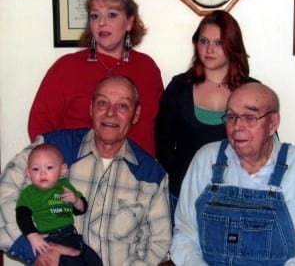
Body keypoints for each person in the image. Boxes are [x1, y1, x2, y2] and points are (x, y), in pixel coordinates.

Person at [0, 75, 172, 266]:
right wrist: (38, 251)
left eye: (122, 106)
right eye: (102, 103)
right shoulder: (53, 149)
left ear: (136, 114)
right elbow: (4, 193)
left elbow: (158, 243)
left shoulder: (151, 175)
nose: (110, 113)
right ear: (91, 109)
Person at [170, 82, 295, 265]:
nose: (237, 126)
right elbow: (185, 234)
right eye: (231, 116)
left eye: (249, 117)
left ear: (273, 124)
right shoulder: (207, 159)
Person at [28, 0, 163, 157]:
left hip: (135, 175)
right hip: (76, 172)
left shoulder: (147, 68)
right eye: (95, 16)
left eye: (112, 15)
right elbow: (40, 126)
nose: (102, 23)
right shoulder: (67, 67)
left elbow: (160, 128)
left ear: (129, 22)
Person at [155, 10, 259, 214]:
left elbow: (266, 146)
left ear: (232, 46)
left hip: (237, 197)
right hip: (185, 196)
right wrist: (182, 178)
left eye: (218, 43)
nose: (209, 49)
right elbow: (163, 145)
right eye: (203, 41)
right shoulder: (179, 87)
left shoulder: (252, 91)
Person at [7, 143, 102, 266]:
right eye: (36, 169)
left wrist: (76, 201)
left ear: (62, 170)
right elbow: (22, 216)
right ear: (28, 173)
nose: (42, 173)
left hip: (71, 235)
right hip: (50, 238)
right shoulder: (29, 192)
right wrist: (32, 236)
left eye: (49, 167)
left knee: (94, 261)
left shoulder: (64, 185)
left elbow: (81, 209)